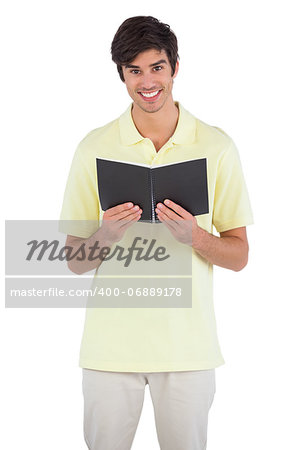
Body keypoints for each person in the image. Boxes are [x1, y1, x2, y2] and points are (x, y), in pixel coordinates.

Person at [59, 15, 254, 450]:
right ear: (122, 76)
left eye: (157, 67)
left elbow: (239, 256)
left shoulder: (216, 145)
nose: (147, 81)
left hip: (189, 349)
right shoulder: (94, 147)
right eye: (135, 71)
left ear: (175, 68)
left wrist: (196, 237)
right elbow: (73, 261)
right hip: (109, 349)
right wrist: (105, 235)